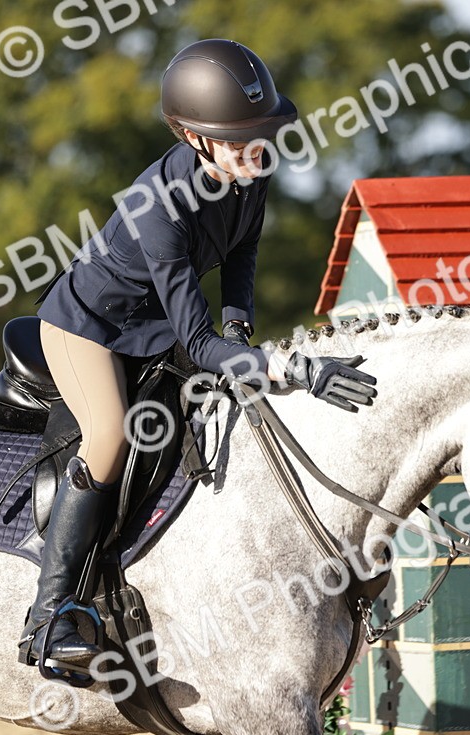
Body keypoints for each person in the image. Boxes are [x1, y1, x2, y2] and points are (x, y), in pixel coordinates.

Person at [19, 39, 379, 673]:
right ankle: (50, 617)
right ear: (193, 137)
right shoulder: (157, 210)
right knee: (109, 436)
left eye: (264, 133)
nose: (258, 149)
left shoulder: (252, 168)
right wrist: (287, 367)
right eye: (241, 138)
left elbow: (242, 255)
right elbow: (195, 341)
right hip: (89, 329)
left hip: (155, 329)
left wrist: (241, 329)